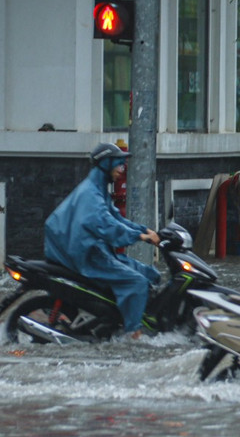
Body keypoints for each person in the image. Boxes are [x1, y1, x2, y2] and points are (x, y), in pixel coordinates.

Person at [44, 142, 161, 334]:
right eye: (118, 165)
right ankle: (133, 334)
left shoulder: (98, 190)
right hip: (86, 256)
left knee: (150, 274)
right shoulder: (90, 194)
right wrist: (140, 236)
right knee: (136, 282)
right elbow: (106, 225)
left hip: (96, 251)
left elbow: (116, 218)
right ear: (106, 164)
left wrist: (146, 230)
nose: (121, 170)